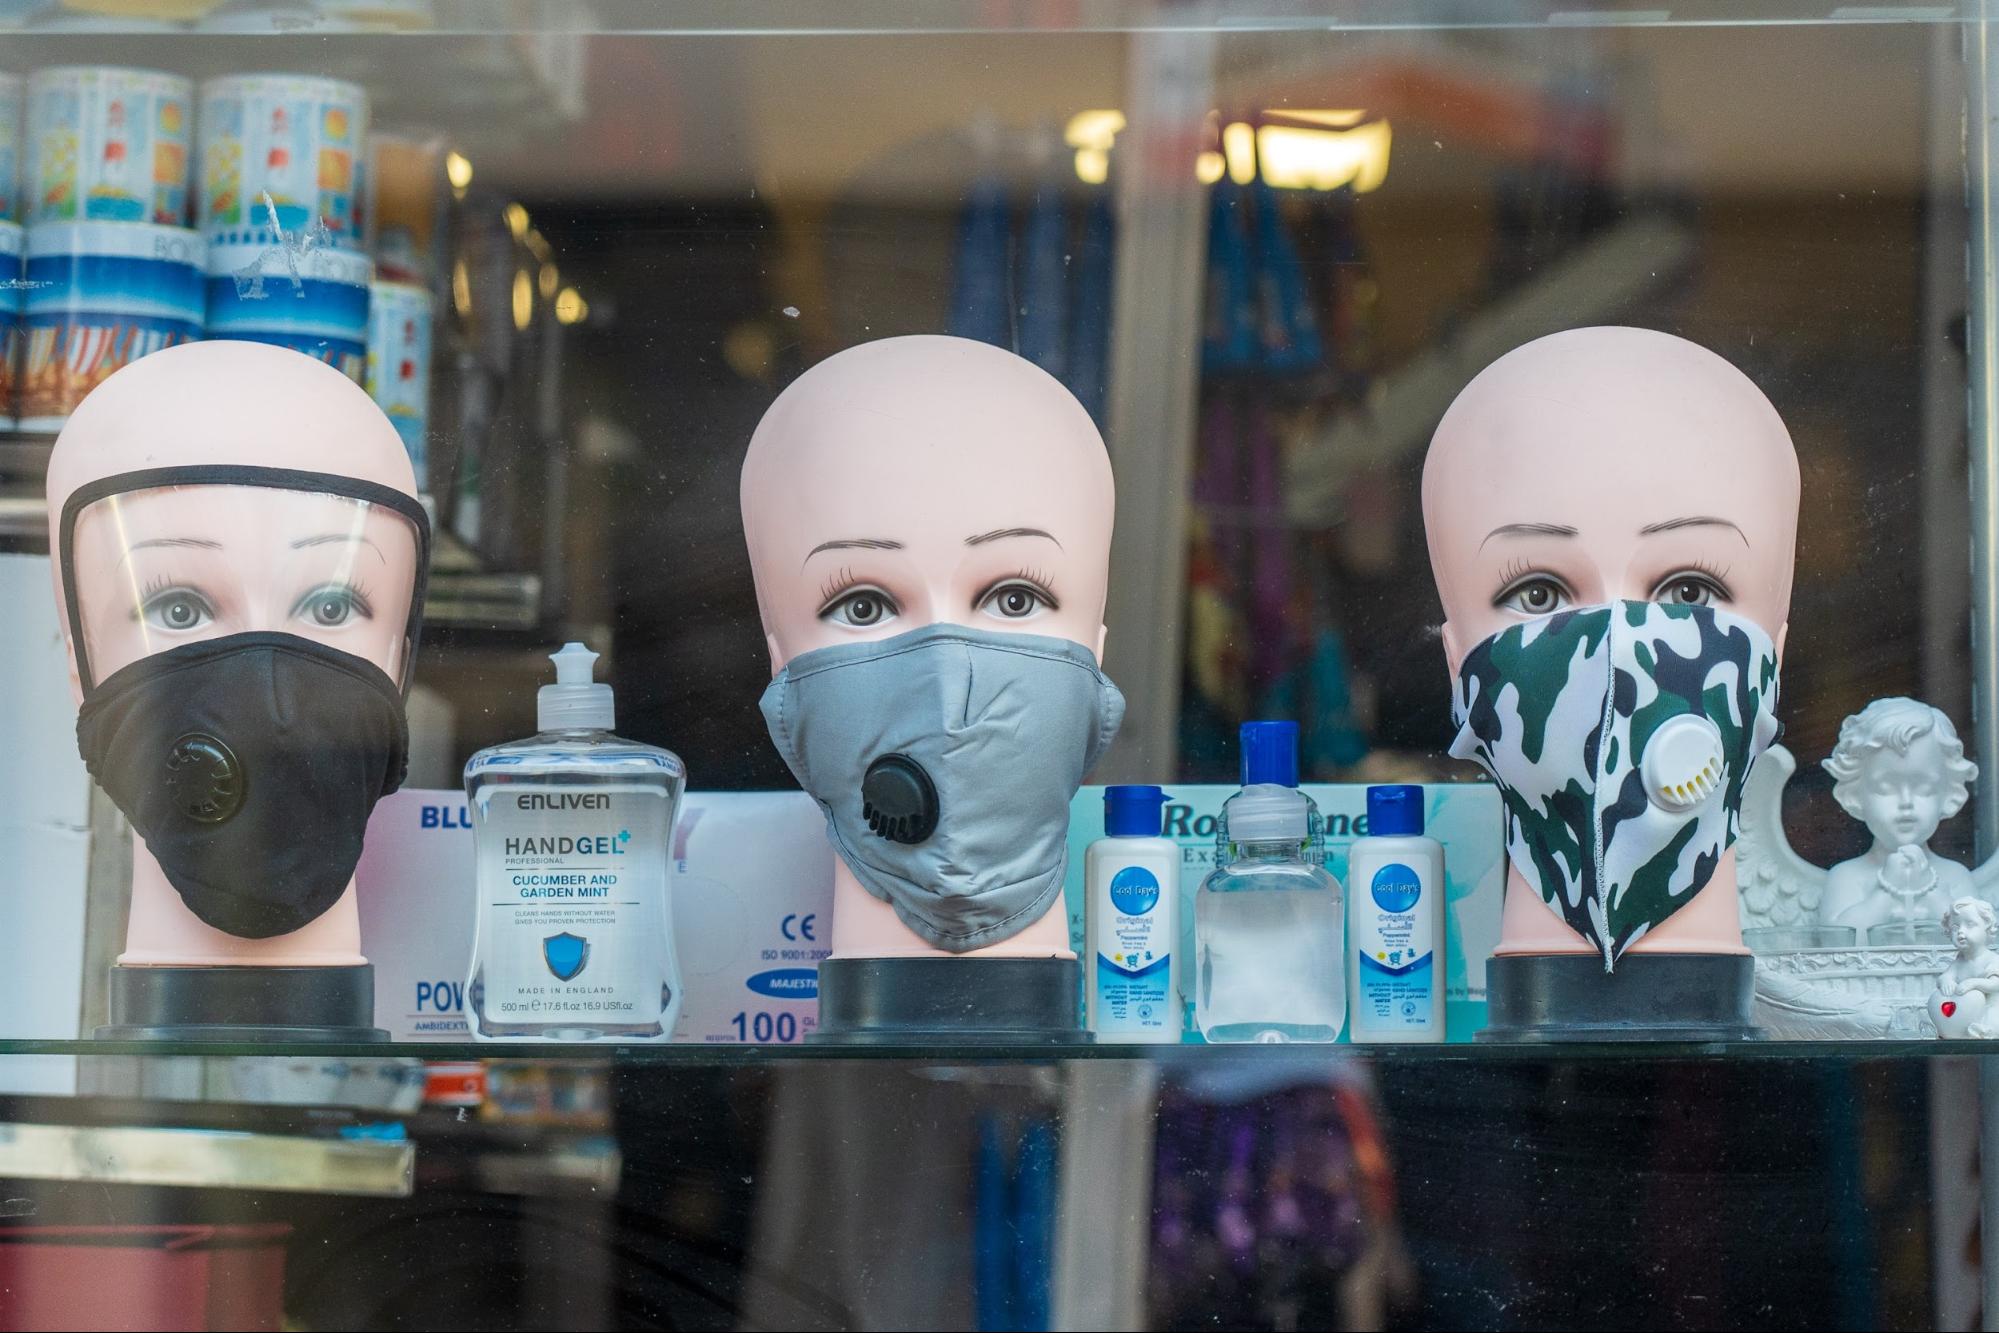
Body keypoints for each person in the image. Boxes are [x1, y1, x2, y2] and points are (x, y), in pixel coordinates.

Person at [1817, 697, 1979, 934]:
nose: (1906, 803)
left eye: (1923, 787)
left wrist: (1929, 890)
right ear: (1855, 794)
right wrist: (1887, 890)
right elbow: (1835, 942)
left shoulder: (1954, 876)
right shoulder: (1847, 877)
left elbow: (1974, 938)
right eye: (1885, 788)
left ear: (1948, 793)